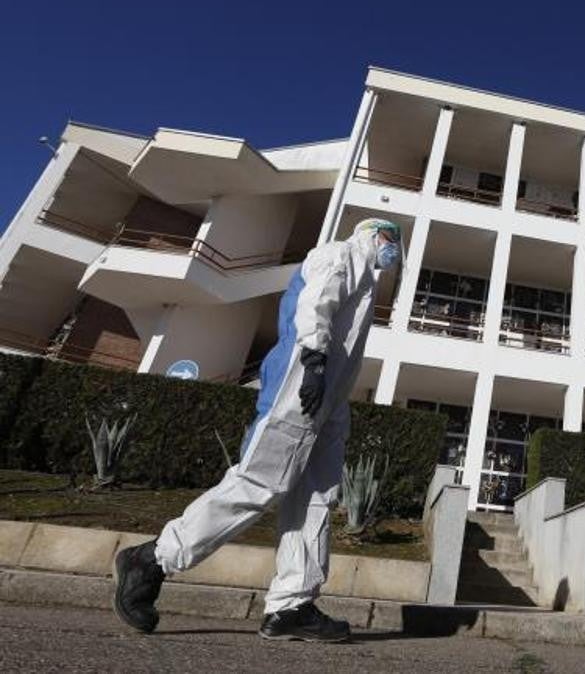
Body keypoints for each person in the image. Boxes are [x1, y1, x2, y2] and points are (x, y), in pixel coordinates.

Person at [113, 218, 403, 642]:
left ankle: (292, 605)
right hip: (299, 385)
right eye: (391, 240)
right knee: (259, 482)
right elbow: (314, 305)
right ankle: (153, 558)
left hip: (330, 403)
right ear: (374, 234)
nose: (394, 250)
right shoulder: (340, 254)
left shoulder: (368, 283)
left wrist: (334, 398)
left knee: (316, 497)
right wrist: (315, 362)